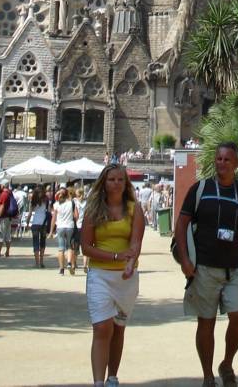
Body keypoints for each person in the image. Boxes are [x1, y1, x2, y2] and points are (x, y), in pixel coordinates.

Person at [174, 142, 238, 387]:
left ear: (236, 164)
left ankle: (226, 363)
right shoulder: (200, 189)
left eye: (227, 160)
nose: (221, 163)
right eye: (219, 159)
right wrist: (184, 259)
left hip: (234, 267)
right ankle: (207, 375)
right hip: (205, 267)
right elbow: (181, 225)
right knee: (206, 322)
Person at [81, 164, 145, 387]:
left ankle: (112, 377)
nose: (116, 184)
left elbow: (136, 242)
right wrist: (117, 256)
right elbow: (86, 247)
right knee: (102, 327)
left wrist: (129, 263)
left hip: (126, 277)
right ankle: (98, 382)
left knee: (118, 328)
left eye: (120, 180)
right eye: (111, 180)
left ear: (126, 183)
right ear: (104, 183)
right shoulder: (93, 210)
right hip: (100, 274)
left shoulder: (134, 209)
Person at [49, 186, 78, 276]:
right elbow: (76, 216)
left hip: (60, 227)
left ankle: (61, 269)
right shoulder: (72, 203)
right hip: (70, 226)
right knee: (70, 247)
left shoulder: (56, 204)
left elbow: (53, 218)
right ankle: (69, 263)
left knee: (61, 248)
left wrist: (51, 231)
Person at [27, 186, 49, 267]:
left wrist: (27, 223)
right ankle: (42, 262)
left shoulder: (33, 201)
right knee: (43, 242)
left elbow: (30, 213)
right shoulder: (46, 200)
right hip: (44, 223)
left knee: (35, 242)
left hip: (35, 223)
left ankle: (37, 263)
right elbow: (48, 211)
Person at [0, 181, 15, 257]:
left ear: (2, 185)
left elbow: (2, 206)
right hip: (9, 217)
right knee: (8, 235)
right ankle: (7, 251)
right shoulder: (10, 193)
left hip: (3, 217)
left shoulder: (4, 194)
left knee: (1, 234)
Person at [73, 185, 89, 273]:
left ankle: (74, 263)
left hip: (77, 226)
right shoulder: (87, 202)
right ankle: (85, 265)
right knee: (85, 247)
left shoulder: (74, 202)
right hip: (85, 226)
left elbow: (75, 215)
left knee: (76, 246)